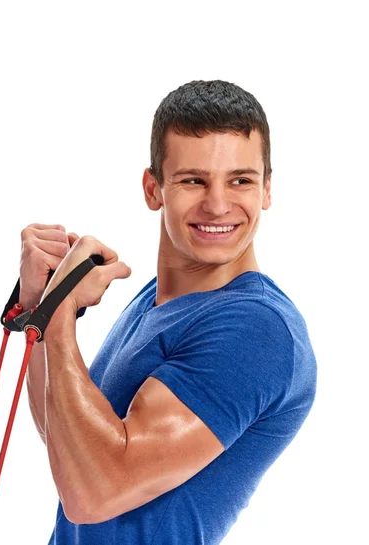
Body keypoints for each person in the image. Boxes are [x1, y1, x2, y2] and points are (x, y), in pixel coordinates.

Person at [19, 79, 317, 545]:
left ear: (267, 190)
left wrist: (58, 316)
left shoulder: (257, 330)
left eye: (240, 180)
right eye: (193, 179)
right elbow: (68, 443)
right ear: (153, 188)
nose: (218, 204)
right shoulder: (154, 300)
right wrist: (40, 310)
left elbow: (93, 493)